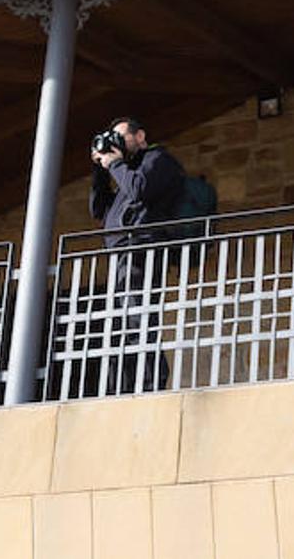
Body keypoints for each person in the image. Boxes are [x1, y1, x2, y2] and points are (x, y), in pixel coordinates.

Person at [89, 116, 187, 394]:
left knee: (138, 319)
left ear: (140, 136)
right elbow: (98, 210)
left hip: (143, 249)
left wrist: (116, 164)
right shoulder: (125, 171)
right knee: (121, 324)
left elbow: (140, 189)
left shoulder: (158, 160)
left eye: (121, 136)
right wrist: (100, 170)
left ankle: (149, 384)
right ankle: (122, 386)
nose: (117, 142)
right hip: (121, 254)